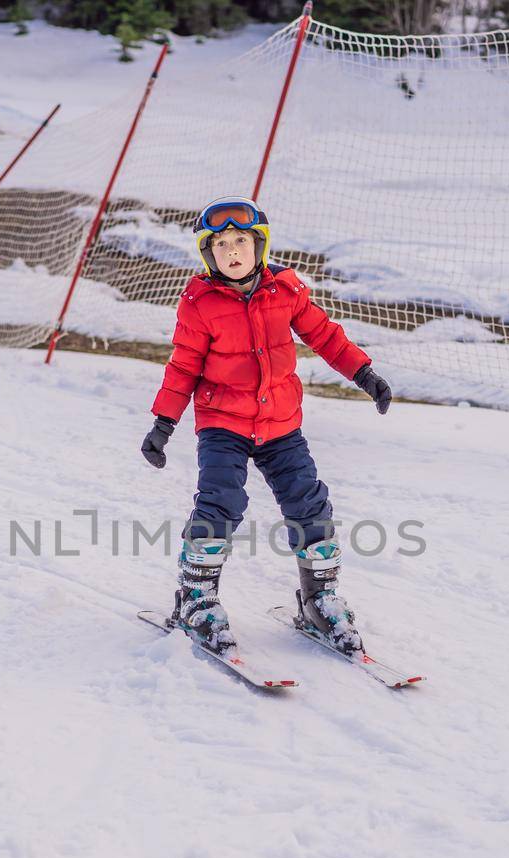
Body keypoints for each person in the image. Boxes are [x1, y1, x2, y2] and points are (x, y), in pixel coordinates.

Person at [140, 195, 393, 655]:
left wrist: (364, 374)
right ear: (207, 254)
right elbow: (182, 368)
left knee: (308, 503)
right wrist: (163, 424)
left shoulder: (286, 291)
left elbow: (326, 336)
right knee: (221, 502)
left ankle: (319, 600)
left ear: (259, 245)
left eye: (241, 240)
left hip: (280, 424)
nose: (232, 251)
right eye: (221, 244)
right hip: (223, 425)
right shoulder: (199, 304)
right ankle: (195, 599)